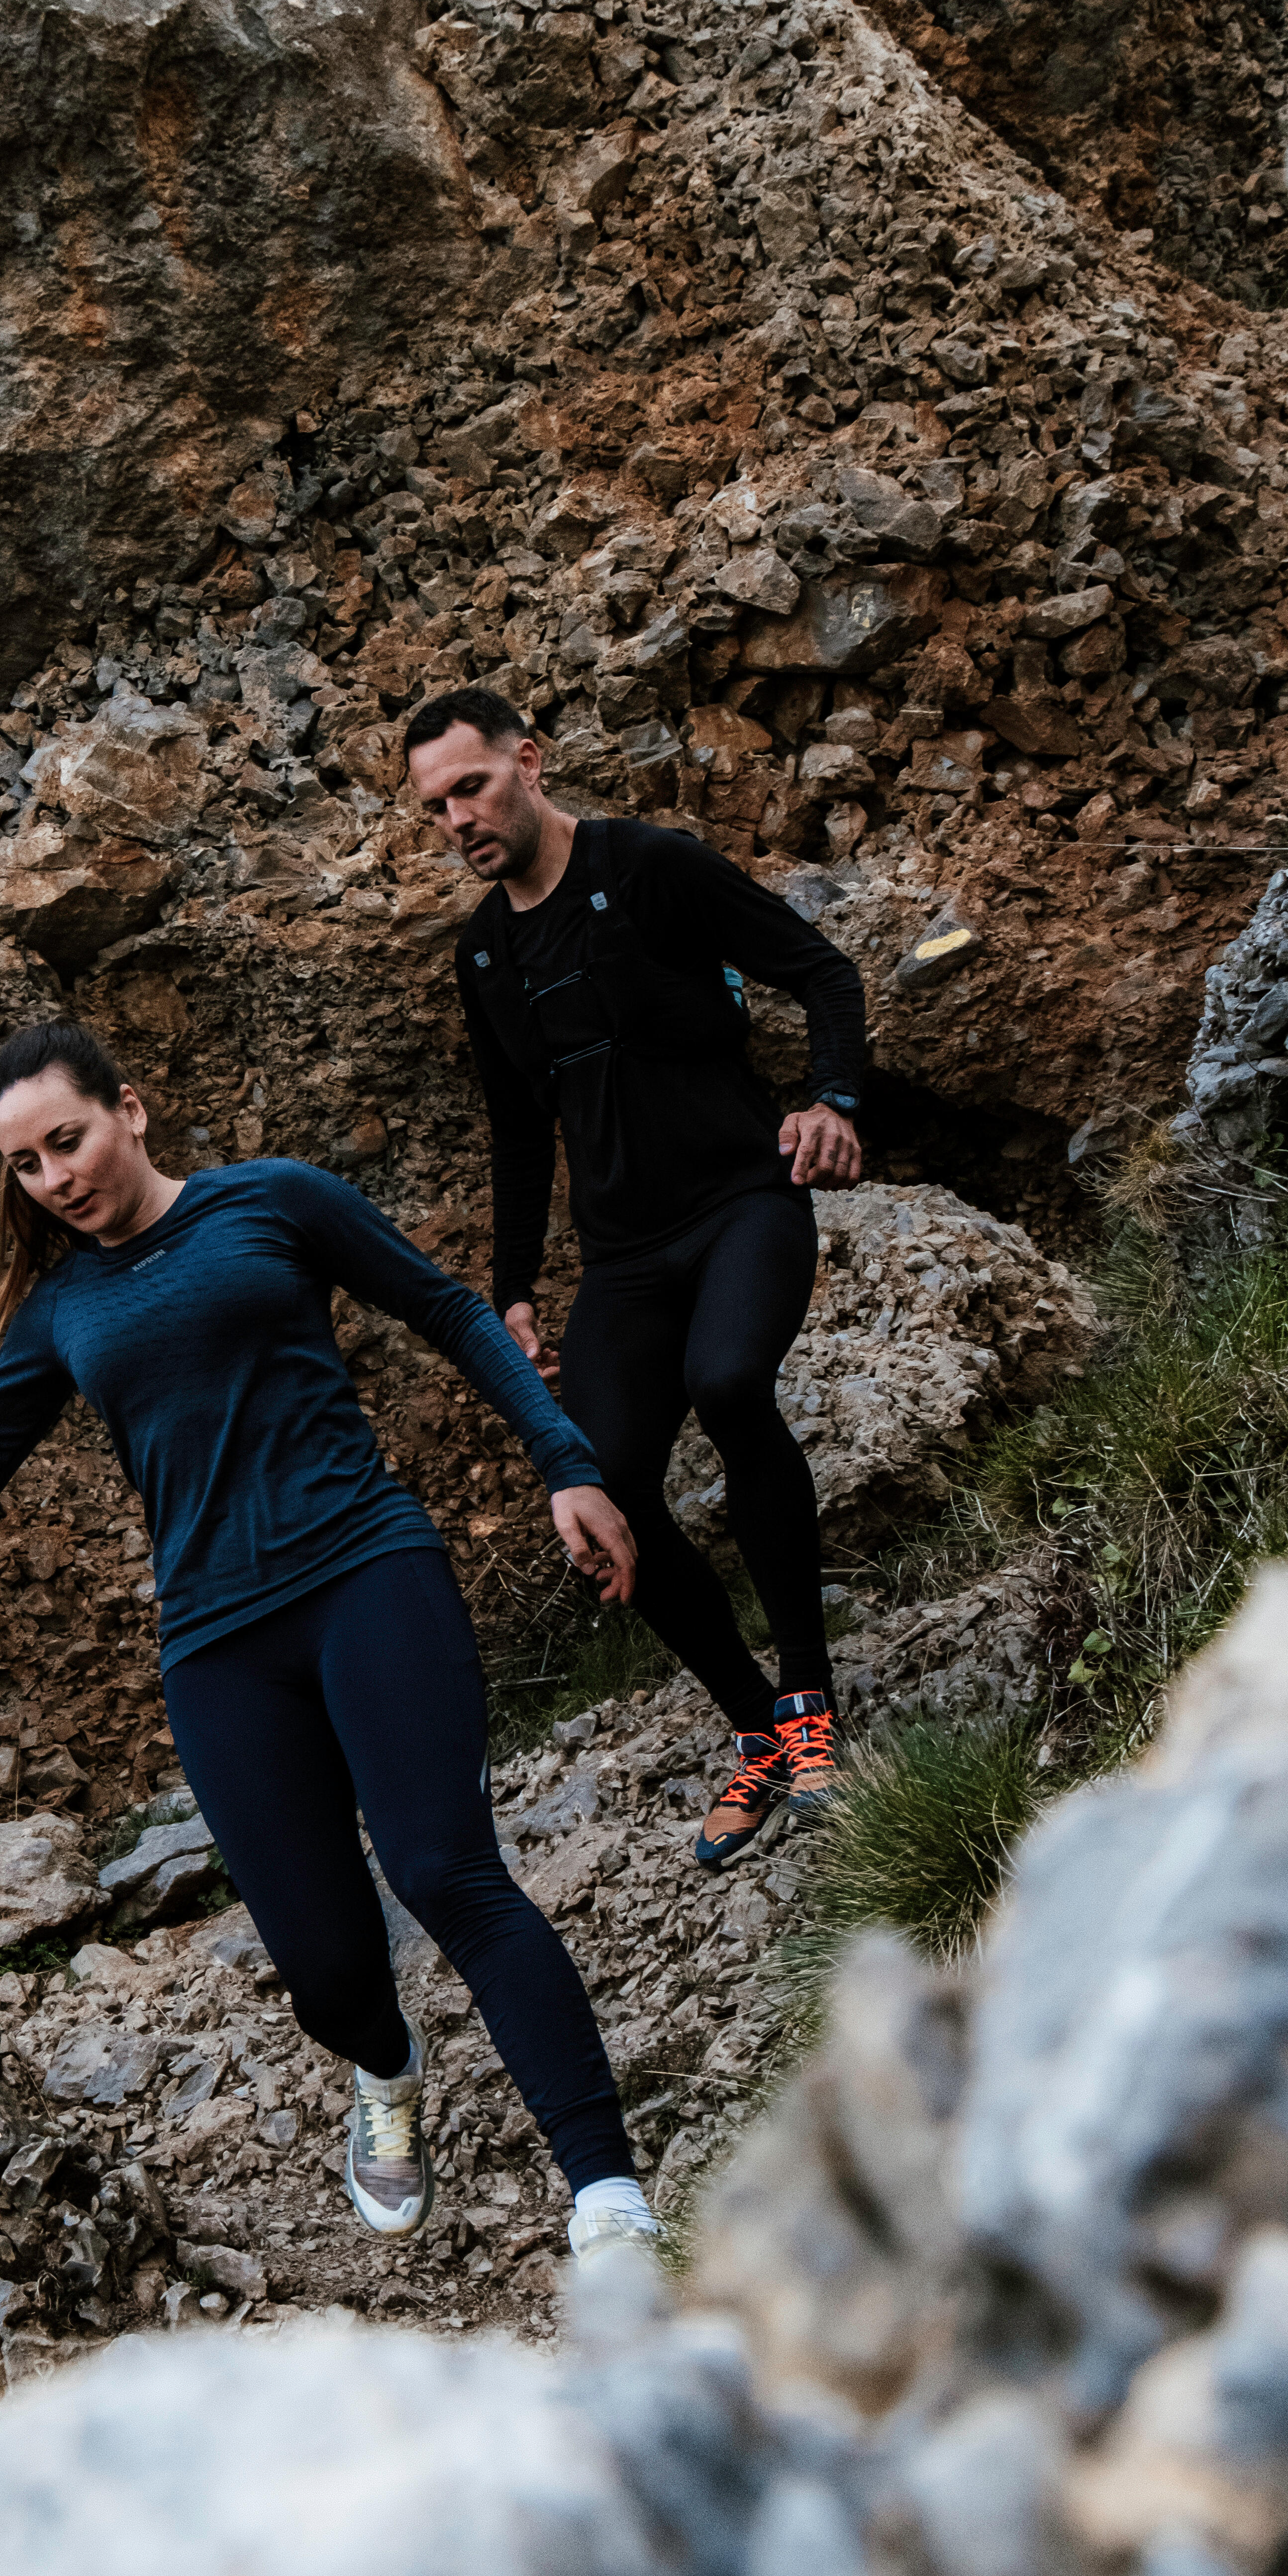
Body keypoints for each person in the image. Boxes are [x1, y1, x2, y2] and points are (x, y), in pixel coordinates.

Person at [0, 1017, 663, 2261]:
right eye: (29, 1166)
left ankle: (606, 2195)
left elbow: (450, 1312)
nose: (56, 1179)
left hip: (366, 1570)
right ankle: (386, 2068)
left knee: (446, 1875)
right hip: (217, 1647)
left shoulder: (274, 1203)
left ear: (129, 1112)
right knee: (323, 1972)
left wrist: (562, 1460)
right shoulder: (57, 1313)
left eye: (68, 1140)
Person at [404, 685, 869, 1871]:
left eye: (471, 785)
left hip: (739, 1205)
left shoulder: (650, 867)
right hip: (622, 1261)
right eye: (433, 806)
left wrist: (830, 1098)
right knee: (601, 1485)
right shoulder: (483, 955)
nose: (457, 817)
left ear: (528, 763)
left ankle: (811, 1707)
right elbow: (518, 1130)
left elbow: (820, 972)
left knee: (728, 1383)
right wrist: (513, 1290)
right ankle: (756, 1732)